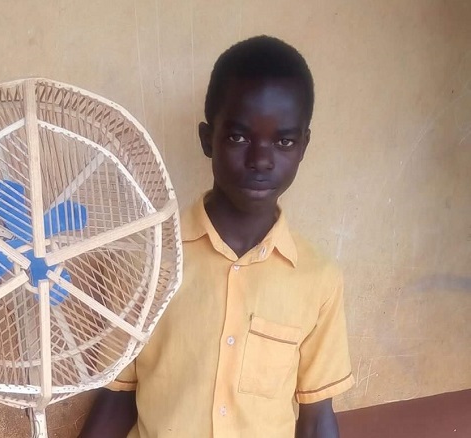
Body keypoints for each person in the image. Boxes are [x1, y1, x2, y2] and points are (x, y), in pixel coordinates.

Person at [79, 36, 354, 438]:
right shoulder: (150, 261)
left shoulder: (319, 280)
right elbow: (119, 393)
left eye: (284, 141)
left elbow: (316, 417)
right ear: (208, 139)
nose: (261, 159)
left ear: (303, 146)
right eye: (239, 137)